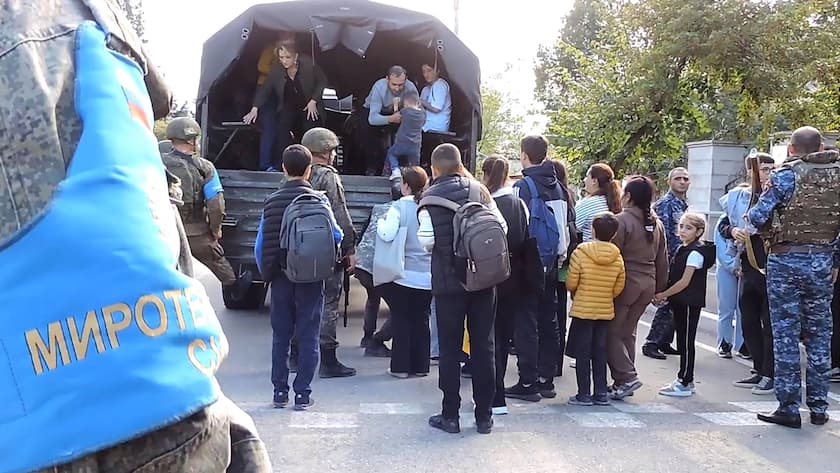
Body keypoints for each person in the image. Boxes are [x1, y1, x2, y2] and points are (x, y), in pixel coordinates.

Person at [0, 3, 270, 471]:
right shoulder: (93, 18)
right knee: (223, 270)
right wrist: (216, 228)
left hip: (60, 425)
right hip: (177, 396)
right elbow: (213, 198)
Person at [747, 126, 840, 428]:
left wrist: (771, 231)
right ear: (822, 146)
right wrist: (833, 259)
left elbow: (758, 216)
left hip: (786, 260)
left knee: (786, 334)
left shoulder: (788, 175)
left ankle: (788, 406)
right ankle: (819, 406)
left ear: (792, 150)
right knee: (819, 335)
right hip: (823, 262)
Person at [418, 144, 507, 435]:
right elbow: (500, 228)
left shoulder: (429, 198)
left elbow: (427, 241)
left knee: (449, 349)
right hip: (482, 280)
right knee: (484, 346)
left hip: (448, 284)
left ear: (434, 168)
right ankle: (484, 416)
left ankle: (450, 415)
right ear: (459, 165)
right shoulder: (479, 190)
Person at [255, 145, 344, 411]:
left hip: (281, 275)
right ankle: (303, 393)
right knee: (308, 334)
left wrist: (267, 272)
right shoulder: (320, 200)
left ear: (283, 168)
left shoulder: (271, 201)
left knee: (281, 336)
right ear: (309, 170)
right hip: (311, 276)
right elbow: (336, 235)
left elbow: (260, 244)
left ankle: (279, 392)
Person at [506, 136, 571, 402]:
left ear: (524, 155)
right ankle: (546, 379)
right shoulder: (559, 187)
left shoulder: (524, 186)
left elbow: (515, 227)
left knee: (526, 323)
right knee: (549, 320)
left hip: (529, 263)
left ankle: (527, 381)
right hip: (554, 262)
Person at [162, 118, 254, 301]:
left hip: (163, 231)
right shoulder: (205, 167)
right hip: (197, 234)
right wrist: (215, 230)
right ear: (191, 140)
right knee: (223, 268)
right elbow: (216, 204)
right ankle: (235, 288)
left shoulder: (157, 163)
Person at [299, 127, 358, 378]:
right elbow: (339, 212)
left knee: (301, 302)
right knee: (328, 303)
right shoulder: (328, 176)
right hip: (325, 248)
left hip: (298, 248)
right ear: (326, 152)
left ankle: (295, 356)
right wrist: (350, 247)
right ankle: (328, 360)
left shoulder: (297, 173)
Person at [719, 153, 776, 394]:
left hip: (771, 264)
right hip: (748, 264)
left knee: (769, 322)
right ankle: (759, 368)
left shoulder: (777, 194)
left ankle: (771, 373)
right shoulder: (740, 197)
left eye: (772, 169)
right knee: (748, 319)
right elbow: (723, 225)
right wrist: (732, 231)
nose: (769, 174)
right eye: (764, 169)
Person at [608, 176, 669, 400]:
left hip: (626, 283)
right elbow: (663, 259)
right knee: (628, 332)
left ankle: (626, 377)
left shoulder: (621, 220)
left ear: (629, 196)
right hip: (648, 282)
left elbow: (612, 256)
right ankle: (623, 381)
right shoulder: (657, 222)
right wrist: (660, 289)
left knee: (611, 332)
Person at [481, 156, 531, 415]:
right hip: (515, 275)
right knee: (503, 335)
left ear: (486, 174)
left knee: (488, 338)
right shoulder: (519, 203)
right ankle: (498, 398)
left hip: (490, 275)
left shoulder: (486, 204)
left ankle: (491, 396)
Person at [376, 166, 433, 377]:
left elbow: (387, 233)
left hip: (404, 275)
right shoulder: (430, 205)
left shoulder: (399, 207)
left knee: (401, 319)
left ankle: (400, 367)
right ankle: (421, 366)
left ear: (406, 186)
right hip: (428, 277)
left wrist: (381, 222)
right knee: (421, 320)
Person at [566, 212, 626, 406]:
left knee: (583, 352)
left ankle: (583, 393)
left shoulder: (580, 252)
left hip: (583, 309)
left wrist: (576, 291)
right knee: (600, 351)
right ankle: (601, 392)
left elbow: (572, 281)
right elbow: (619, 284)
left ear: (592, 230)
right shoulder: (617, 256)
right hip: (605, 310)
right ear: (614, 234)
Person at [653, 213, 715, 397]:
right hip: (680, 301)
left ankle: (686, 381)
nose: (682, 231)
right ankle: (683, 378)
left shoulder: (695, 252)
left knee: (686, 342)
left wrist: (663, 294)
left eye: (688, 228)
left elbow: (684, 281)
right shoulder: (683, 248)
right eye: (681, 226)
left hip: (689, 302)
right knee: (682, 340)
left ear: (699, 232)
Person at [243, 40, 327, 171]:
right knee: (282, 131)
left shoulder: (309, 64)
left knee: (309, 130)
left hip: (308, 104)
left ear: (296, 56)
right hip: (289, 105)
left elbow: (322, 81)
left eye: (287, 57)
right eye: (281, 57)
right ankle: (282, 165)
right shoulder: (277, 69)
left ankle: (311, 166)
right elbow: (266, 89)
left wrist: (313, 100)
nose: (284, 61)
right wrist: (255, 109)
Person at [642, 167, 690, 360]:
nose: (682, 182)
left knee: (676, 302)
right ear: (670, 181)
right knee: (666, 302)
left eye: (685, 178)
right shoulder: (665, 204)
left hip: (680, 258)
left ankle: (664, 341)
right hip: (669, 259)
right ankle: (652, 342)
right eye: (678, 178)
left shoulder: (683, 205)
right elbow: (662, 235)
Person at [361, 65, 419, 175]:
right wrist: (390, 119)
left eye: (401, 85)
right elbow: (373, 118)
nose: (397, 88)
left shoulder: (411, 88)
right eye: (394, 84)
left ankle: (404, 167)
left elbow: (416, 113)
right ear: (387, 79)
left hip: (401, 113)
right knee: (366, 131)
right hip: (374, 111)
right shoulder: (379, 87)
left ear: (406, 80)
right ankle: (372, 167)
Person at [355, 201, 395, 357]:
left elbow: (364, 232)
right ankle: (377, 342)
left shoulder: (378, 208)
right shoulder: (404, 210)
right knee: (400, 308)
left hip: (363, 263)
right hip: (378, 264)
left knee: (373, 297)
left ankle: (367, 336)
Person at [576, 164, 622, 242]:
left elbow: (573, 226)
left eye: (587, 176)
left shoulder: (588, 204)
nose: (584, 180)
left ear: (594, 181)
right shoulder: (616, 201)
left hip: (589, 251)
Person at [385, 90, 426, 177]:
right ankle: (416, 178)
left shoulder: (406, 111)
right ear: (418, 103)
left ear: (405, 104)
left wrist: (396, 104)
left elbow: (396, 116)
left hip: (402, 142)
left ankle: (394, 170)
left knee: (391, 153)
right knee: (415, 165)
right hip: (416, 145)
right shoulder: (423, 114)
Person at [420, 61, 452, 132]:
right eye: (424, 72)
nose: (426, 74)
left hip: (436, 127)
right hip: (425, 125)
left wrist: (420, 101)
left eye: (429, 71)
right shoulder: (426, 89)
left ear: (437, 71)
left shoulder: (440, 85)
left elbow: (436, 108)